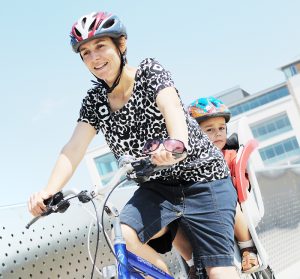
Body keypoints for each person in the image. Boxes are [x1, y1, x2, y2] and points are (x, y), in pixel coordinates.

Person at [28, 11, 239, 279]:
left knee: (218, 271)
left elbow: (171, 107)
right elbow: (74, 148)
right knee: (123, 235)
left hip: (204, 180)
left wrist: (177, 143)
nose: (94, 58)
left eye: (100, 46)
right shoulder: (95, 101)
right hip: (158, 189)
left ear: (121, 45)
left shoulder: (150, 72)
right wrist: (48, 191)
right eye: (85, 53)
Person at [187, 96, 260, 273]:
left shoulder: (230, 155)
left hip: (229, 207)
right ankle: (192, 264)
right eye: (209, 130)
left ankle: (247, 248)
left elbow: (243, 182)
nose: (218, 133)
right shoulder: (189, 163)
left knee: (228, 203)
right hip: (201, 212)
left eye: (221, 128)